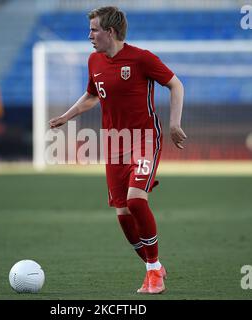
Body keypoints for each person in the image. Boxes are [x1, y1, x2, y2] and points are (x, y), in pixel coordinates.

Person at [49, 6, 186, 294]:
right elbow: (91, 96)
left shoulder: (141, 58)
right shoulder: (94, 61)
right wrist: (66, 116)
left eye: (94, 30)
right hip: (114, 145)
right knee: (123, 216)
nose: (90, 36)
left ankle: (153, 274)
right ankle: (154, 265)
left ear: (110, 32)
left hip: (145, 140)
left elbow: (175, 85)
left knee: (136, 201)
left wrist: (174, 123)